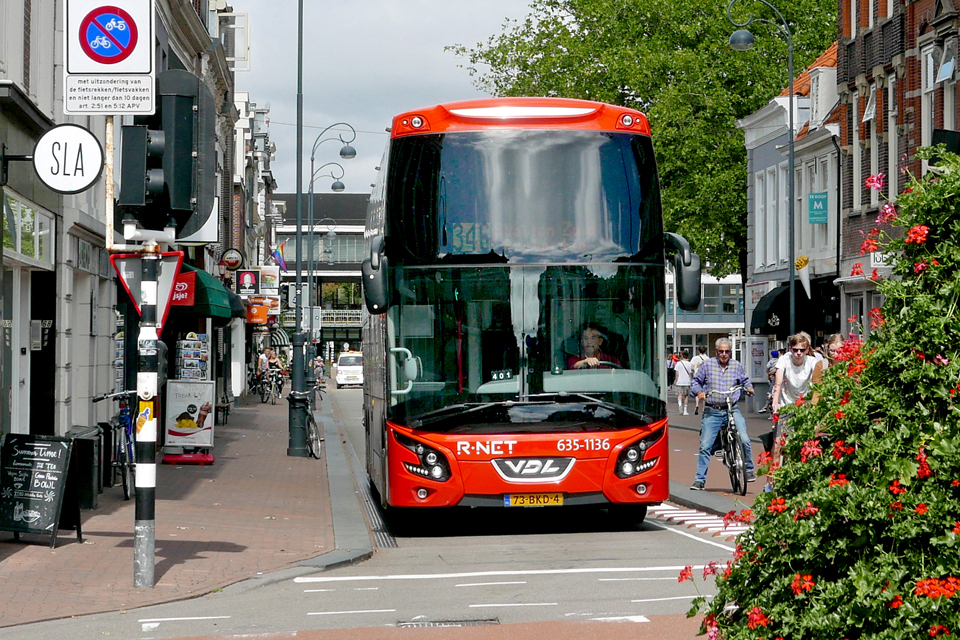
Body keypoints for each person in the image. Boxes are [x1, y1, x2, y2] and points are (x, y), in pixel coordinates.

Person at [690, 338, 756, 490]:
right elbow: (696, 382)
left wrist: (749, 388)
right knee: (705, 446)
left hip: (731, 408)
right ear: (716, 352)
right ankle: (699, 480)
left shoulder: (736, 365)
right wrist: (699, 392)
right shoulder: (707, 365)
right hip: (713, 410)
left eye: (727, 351)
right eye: (721, 351)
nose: (724, 354)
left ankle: (749, 469)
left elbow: (745, 381)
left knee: (745, 439)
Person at [770, 332, 818, 470]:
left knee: (808, 445)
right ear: (790, 349)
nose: (798, 353)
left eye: (802, 350)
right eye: (795, 349)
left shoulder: (812, 362)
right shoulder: (784, 360)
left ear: (807, 350)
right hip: (787, 404)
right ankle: (771, 482)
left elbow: (817, 383)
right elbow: (778, 383)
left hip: (805, 407)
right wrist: (775, 401)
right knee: (778, 444)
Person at [811, 333, 844, 404]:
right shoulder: (822, 365)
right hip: (826, 404)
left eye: (839, 351)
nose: (836, 354)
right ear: (828, 349)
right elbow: (816, 390)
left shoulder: (850, 365)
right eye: (832, 350)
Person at [759, 349, 780, 413]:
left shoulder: (771, 361)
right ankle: (770, 408)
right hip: (776, 378)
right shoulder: (779, 361)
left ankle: (767, 407)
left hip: (774, 378)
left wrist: (768, 373)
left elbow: (767, 367)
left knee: (771, 393)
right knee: (772, 393)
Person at [689, 345, 709, 414]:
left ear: (698, 351)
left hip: (697, 376)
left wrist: (694, 370)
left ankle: (697, 405)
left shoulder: (695, 358)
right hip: (705, 377)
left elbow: (691, 367)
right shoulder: (707, 359)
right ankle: (703, 408)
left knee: (697, 391)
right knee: (704, 392)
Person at [673, 350, 694, 415]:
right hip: (687, 382)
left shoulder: (678, 363)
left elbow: (677, 373)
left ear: (682, 356)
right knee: (686, 396)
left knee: (679, 395)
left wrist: (676, 380)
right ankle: (685, 410)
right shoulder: (690, 364)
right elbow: (691, 374)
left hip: (680, 381)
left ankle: (680, 405)